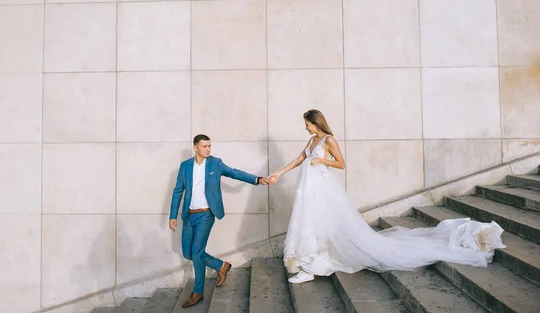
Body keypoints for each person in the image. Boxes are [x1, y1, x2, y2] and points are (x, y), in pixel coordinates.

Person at [268, 109, 505, 284]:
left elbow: (341, 164)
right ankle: (311, 264)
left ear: (315, 122)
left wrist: (321, 160)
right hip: (309, 191)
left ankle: (312, 265)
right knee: (310, 225)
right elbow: (299, 159)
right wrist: (278, 173)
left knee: (318, 224)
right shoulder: (312, 141)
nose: (305, 128)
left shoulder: (328, 140)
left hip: (322, 191)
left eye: (307, 124)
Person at [169, 134, 272, 308]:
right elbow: (178, 190)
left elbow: (235, 173)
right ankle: (221, 265)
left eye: (209, 146)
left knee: (196, 252)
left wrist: (258, 180)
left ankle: (198, 292)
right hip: (188, 215)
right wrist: (172, 216)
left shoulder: (215, 163)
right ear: (195, 148)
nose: (208, 149)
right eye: (204, 146)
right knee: (188, 253)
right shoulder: (185, 166)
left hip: (206, 215)